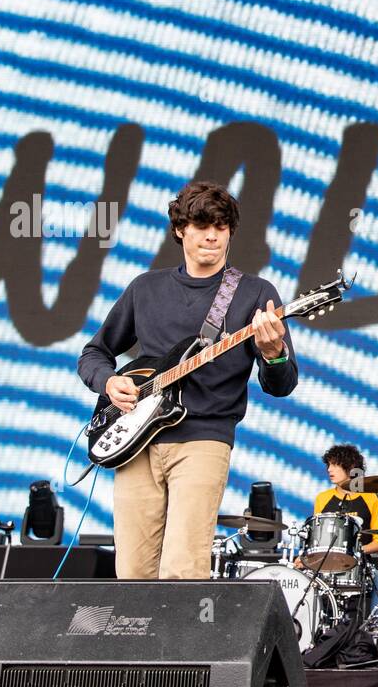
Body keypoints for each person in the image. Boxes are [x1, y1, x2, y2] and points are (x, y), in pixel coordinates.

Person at [78, 181, 297, 580]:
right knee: (132, 573)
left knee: (182, 570)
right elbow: (94, 353)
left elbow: (281, 384)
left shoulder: (255, 293)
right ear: (180, 230)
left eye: (220, 226)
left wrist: (273, 352)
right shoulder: (145, 288)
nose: (212, 235)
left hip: (203, 437)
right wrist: (109, 382)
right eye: (201, 225)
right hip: (135, 442)